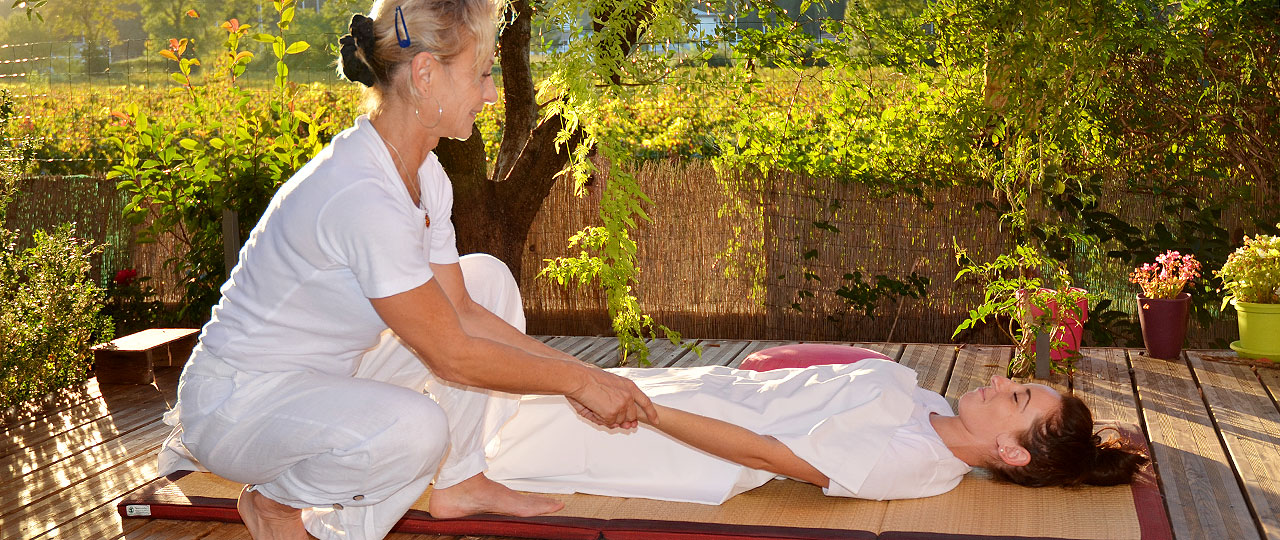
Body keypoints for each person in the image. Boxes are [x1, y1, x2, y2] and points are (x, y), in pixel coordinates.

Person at [153, 1, 658, 539]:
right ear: (424, 74)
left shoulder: (425, 176)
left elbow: (462, 314)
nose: (491, 93)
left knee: (485, 280)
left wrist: (590, 379)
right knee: (416, 431)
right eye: (482, 73)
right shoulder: (361, 194)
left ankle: (461, 480)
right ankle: (279, 505)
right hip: (239, 405)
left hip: (321, 382)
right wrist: (580, 381)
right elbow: (453, 356)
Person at [479, 358, 1150, 504]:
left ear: (1009, 450)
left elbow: (766, 452)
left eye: (1017, 397)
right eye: (1016, 381)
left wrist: (646, 412)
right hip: (709, 389)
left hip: (677, 437)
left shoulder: (910, 463)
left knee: (509, 425)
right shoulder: (924, 403)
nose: (1001, 382)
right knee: (515, 379)